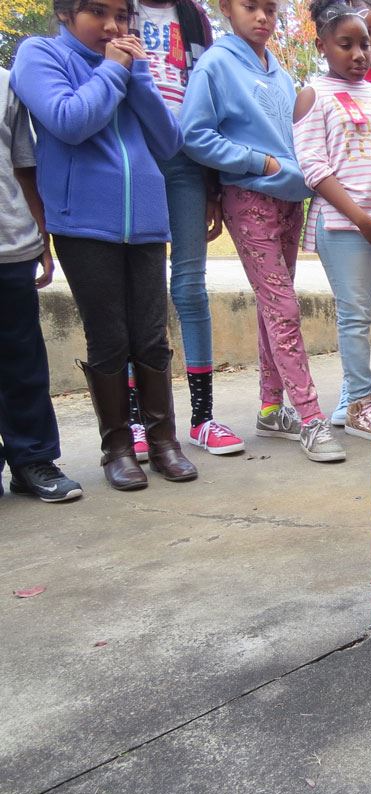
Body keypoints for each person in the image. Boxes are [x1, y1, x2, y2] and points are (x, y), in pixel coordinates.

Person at [13, 0, 198, 491]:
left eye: (123, 16)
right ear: (65, 13)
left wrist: (137, 76)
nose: (115, 27)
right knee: (110, 336)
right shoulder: (40, 55)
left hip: (146, 221)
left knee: (151, 335)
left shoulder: (128, 65)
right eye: (99, 13)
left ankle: (164, 442)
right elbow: (69, 120)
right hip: (83, 223)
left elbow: (168, 141)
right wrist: (114, 71)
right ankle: (117, 448)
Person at [181, 0, 345, 463]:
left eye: (271, 9)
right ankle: (311, 418)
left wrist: (294, 172)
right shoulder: (215, 64)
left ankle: (272, 409)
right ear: (224, 9)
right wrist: (260, 163)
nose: (263, 18)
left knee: (274, 306)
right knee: (283, 307)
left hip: (290, 198)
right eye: (250, 6)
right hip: (249, 197)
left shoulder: (277, 69)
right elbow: (194, 134)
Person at [294, 0, 371, 443]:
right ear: (323, 45)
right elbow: (314, 168)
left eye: (364, 44)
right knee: (355, 317)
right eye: (347, 45)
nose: (360, 54)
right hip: (345, 228)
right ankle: (361, 404)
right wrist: (362, 219)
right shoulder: (313, 94)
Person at [132, 0, 244, 457]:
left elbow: (211, 104)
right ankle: (137, 419)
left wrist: (213, 186)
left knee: (190, 288)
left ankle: (202, 418)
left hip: (186, 161)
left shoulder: (193, 16)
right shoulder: (121, 9)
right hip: (134, 154)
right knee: (140, 292)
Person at [0, 65, 83, 503]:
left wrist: (39, 233)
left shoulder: (5, 83)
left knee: (20, 361)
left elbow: (23, 165)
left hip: (8, 242)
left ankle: (31, 458)